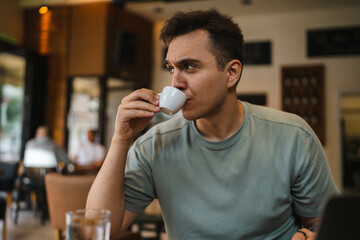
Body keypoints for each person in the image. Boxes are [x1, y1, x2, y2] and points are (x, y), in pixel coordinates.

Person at [87, 9, 339, 240]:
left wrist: (307, 236)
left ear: (232, 73)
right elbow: (97, 229)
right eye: (171, 69)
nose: (175, 82)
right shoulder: (154, 145)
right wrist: (121, 139)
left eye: (189, 67)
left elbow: (324, 224)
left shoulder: (293, 135)